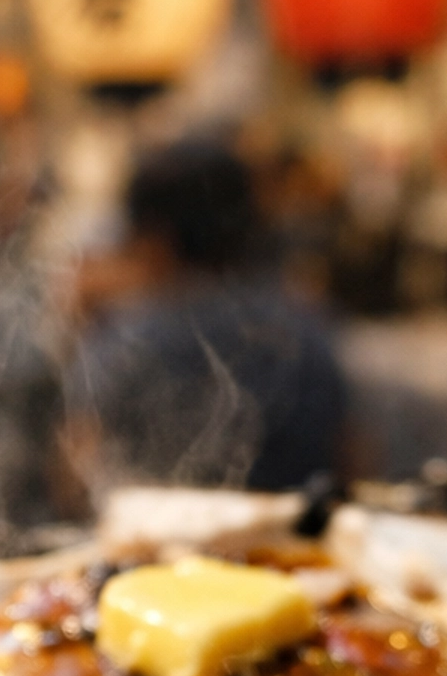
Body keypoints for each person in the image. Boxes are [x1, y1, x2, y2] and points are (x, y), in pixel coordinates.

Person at [65, 138, 348, 496]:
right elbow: (350, 456)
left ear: (156, 239)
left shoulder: (126, 340)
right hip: (298, 542)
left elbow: (76, 482)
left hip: (160, 547)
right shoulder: (306, 327)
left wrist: (74, 329)